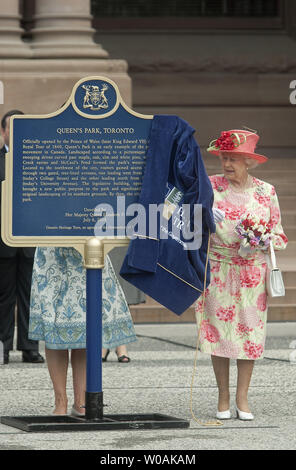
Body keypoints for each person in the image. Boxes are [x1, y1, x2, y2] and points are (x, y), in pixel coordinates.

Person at [195, 129, 288, 421]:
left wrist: (263, 240)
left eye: (234, 159)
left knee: (249, 334)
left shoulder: (266, 191)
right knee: (219, 333)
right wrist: (203, 214)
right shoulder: (210, 186)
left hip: (252, 272)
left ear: (249, 162)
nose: (227, 164)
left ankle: (242, 398)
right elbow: (185, 221)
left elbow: (280, 235)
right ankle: (223, 396)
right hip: (218, 269)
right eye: (224, 158)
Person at [29, 246, 136, 415]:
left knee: (86, 327)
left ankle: (80, 402)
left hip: (90, 249)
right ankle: (60, 401)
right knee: (54, 329)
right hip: (53, 250)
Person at [0, 110, 44, 365]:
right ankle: (3, 346)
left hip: (30, 239)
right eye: (12, 128)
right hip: (3, 240)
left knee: (30, 296)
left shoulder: (36, 159)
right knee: (4, 295)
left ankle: (30, 347)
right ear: (4, 131)